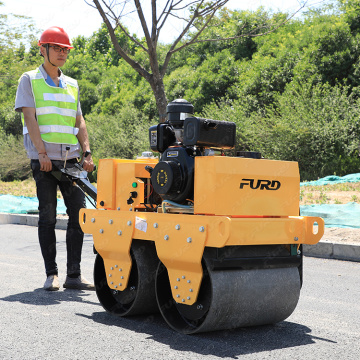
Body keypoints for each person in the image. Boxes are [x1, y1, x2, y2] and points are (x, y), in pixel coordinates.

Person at [15, 26, 95, 291]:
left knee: (78, 215)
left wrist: (86, 151)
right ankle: (52, 274)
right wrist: (40, 153)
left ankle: (74, 275)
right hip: (44, 161)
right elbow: (30, 117)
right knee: (47, 216)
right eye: (57, 48)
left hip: (71, 160)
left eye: (65, 49)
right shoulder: (30, 79)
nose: (62, 53)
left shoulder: (72, 84)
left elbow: (79, 120)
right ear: (43, 49)